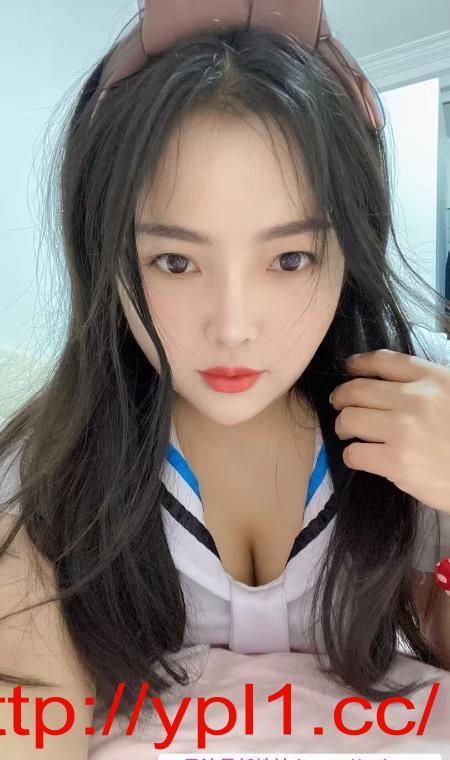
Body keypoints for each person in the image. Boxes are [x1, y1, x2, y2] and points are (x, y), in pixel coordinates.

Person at [1, 2, 450, 751]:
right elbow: (31, 718)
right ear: (107, 256)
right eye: (175, 262)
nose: (234, 326)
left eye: (290, 259)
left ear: (351, 251)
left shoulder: (413, 418)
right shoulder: (52, 473)